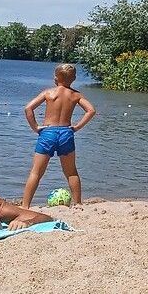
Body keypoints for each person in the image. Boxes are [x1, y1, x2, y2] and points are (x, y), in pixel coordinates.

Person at [20, 63, 97, 208]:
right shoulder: (75, 95)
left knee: (36, 172)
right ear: (73, 78)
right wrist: (77, 127)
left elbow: (28, 108)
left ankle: (25, 206)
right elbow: (91, 110)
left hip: (48, 133)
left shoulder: (49, 93)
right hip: (66, 133)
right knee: (71, 171)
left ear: (56, 78)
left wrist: (35, 127)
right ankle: (78, 203)